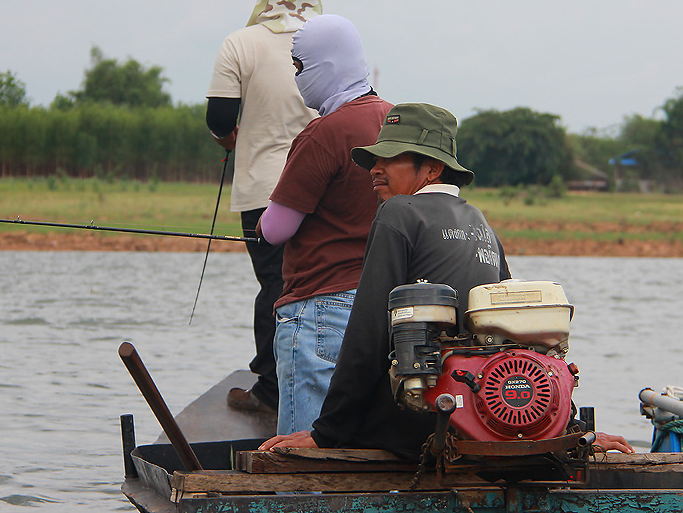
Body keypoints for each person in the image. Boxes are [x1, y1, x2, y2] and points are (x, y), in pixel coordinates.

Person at [260, 103, 634, 457]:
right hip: (476, 418)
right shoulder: (480, 222)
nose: (375, 169)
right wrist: (569, 427)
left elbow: (367, 334)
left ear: (432, 168)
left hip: (412, 422)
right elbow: (516, 334)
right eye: (375, 159)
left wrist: (326, 433)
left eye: (389, 158)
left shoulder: (399, 212)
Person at [255, 14, 392, 435]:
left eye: (301, 67)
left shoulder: (324, 133)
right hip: (383, 307)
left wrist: (262, 221)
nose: (298, 78)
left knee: (302, 455)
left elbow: (275, 229)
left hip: (321, 311)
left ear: (327, 64)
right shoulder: (395, 121)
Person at [205, 0, 324, 414]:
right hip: (322, 186)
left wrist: (228, 136)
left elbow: (219, 116)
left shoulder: (239, 44)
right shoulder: (327, 43)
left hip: (264, 190)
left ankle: (272, 388)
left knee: (275, 282)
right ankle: (320, 381)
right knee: (323, 282)